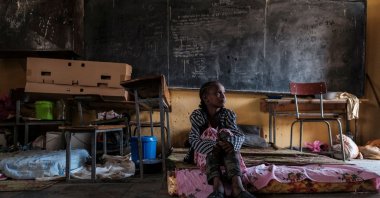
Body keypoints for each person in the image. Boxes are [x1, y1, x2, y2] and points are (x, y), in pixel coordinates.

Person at [185, 81, 255, 198]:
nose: (223, 96)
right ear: (206, 98)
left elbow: (239, 135)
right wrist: (213, 147)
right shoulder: (198, 116)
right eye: (218, 93)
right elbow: (193, 139)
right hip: (204, 155)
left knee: (227, 133)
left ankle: (237, 186)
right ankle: (217, 186)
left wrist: (230, 144)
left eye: (224, 93)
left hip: (226, 155)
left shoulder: (228, 114)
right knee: (210, 132)